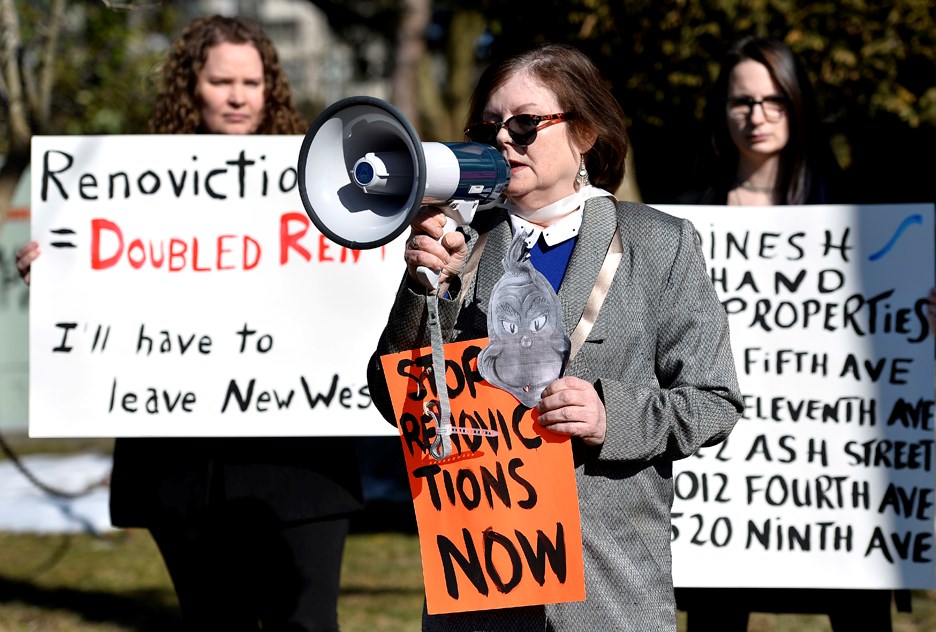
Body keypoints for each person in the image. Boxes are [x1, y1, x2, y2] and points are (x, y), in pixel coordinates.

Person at [366, 43, 743, 631]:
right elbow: (398, 400)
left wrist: (609, 416)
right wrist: (424, 289)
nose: (503, 141)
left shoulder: (660, 244)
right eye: (486, 128)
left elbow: (712, 400)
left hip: (607, 596)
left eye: (525, 124)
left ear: (586, 132)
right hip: (478, 592)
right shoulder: (460, 243)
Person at [17, 16, 362, 631]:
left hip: (301, 458)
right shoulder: (126, 186)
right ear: (190, 86)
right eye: (221, 80)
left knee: (307, 625)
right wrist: (59, 274)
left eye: (251, 81)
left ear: (270, 88)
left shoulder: (323, 184)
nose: (237, 96)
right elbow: (111, 293)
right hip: (182, 464)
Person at [669, 35, 909, 632]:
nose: (758, 117)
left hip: (837, 484)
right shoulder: (684, 220)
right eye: (741, 102)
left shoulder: (860, 215)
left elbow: (894, 327)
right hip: (722, 487)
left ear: (798, 105)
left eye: (774, 100)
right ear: (722, 112)